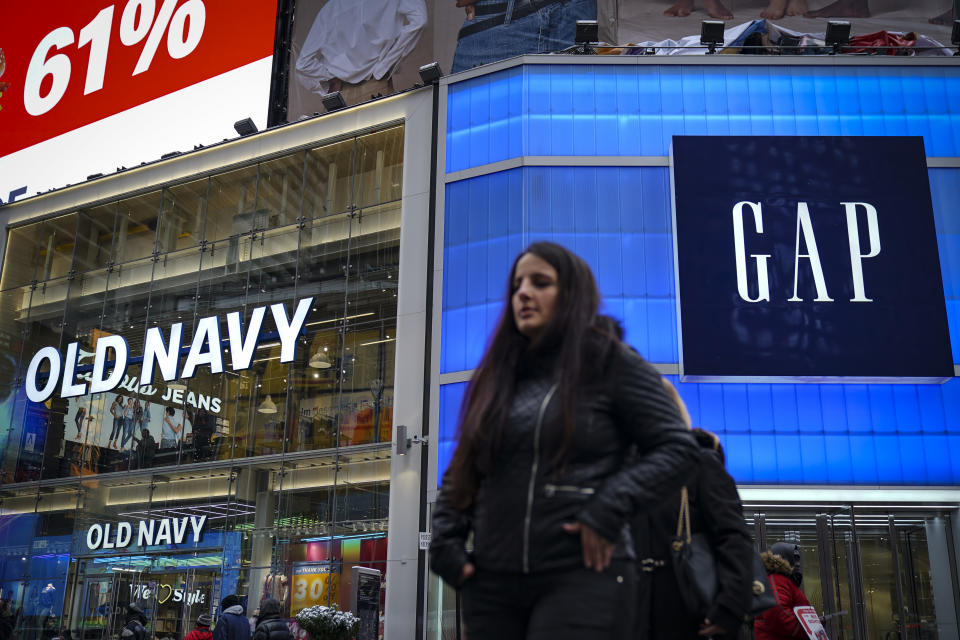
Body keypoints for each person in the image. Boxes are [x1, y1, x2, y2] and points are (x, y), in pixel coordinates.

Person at [430, 242, 699, 640]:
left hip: (583, 575)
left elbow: (679, 449)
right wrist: (445, 545)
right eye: (518, 284)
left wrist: (608, 508)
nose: (523, 292)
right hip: (492, 584)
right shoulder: (497, 376)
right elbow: (463, 470)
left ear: (572, 294)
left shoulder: (610, 362)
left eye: (541, 282)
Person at [634, 391, 754, 640]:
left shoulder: (699, 464)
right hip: (637, 612)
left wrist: (729, 606)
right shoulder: (628, 472)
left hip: (694, 614)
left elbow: (733, 536)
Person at [754, 546, 811, 640]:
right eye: (795, 558)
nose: (798, 564)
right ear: (783, 558)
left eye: (798, 558)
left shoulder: (780, 580)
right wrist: (808, 630)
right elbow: (778, 614)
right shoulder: (776, 580)